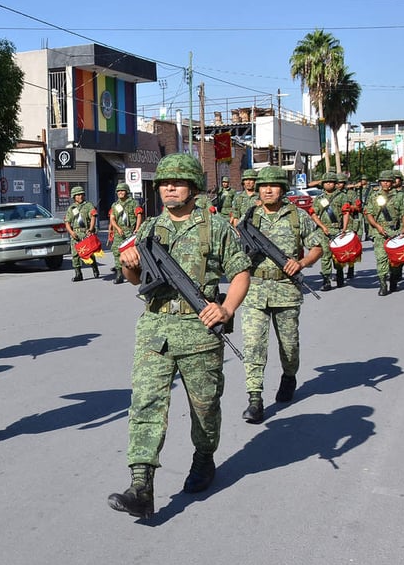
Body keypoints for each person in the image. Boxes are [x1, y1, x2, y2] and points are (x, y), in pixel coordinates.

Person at [107, 153, 251, 519]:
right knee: (145, 404)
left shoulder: (214, 227)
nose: (169, 188)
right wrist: (129, 268)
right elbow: (137, 282)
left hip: (200, 331)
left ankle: (204, 459)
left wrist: (227, 309)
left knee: (204, 409)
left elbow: (240, 272)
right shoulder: (149, 229)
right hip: (155, 329)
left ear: (193, 188)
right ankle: (141, 485)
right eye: (165, 183)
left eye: (178, 183)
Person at [239, 166, 324, 423]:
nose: (267, 190)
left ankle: (289, 376)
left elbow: (318, 245)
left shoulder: (297, 216)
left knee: (289, 346)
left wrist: (302, 263)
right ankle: (255, 399)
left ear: (282, 189)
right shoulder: (250, 216)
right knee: (253, 345)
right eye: (263, 186)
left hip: (286, 290)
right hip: (254, 290)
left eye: (273, 186)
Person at [364, 170, 404, 296]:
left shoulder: (399, 196)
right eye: (383, 181)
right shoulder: (374, 196)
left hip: (395, 231)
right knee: (381, 259)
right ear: (380, 182)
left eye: (388, 181)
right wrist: (377, 226)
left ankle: (394, 279)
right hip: (380, 232)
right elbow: (369, 214)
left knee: (395, 260)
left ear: (392, 182)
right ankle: (383, 284)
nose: (385, 183)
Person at [309, 172, 350, 291]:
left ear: (335, 184)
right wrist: (322, 227)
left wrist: (344, 228)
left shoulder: (342, 196)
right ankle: (326, 280)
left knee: (337, 255)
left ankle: (340, 274)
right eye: (326, 182)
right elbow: (313, 214)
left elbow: (345, 212)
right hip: (324, 230)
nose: (328, 184)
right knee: (325, 255)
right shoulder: (319, 198)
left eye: (331, 182)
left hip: (337, 228)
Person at [107, 182, 142, 283]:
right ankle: (119, 274)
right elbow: (112, 219)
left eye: (122, 191)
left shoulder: (133, 203)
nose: (120, 193)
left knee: (134, 253)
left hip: (131, 231)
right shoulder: (115, 205)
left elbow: (139, 215)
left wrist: (137, 228)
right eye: (118, 191)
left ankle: (136, 272)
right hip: (119, 233)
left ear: (127, 192)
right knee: (117, 252)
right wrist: (117, 228)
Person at [64, 186, 99, 281]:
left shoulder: (88, 205)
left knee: (89, 253)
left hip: (86, 233)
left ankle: (94, 267)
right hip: (76, 234)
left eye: (81, 194)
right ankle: (78, 274)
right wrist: (71, 232)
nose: (80, 196)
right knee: (75, 255)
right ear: (74, 196)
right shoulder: (71, 208)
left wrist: (91, 229)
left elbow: (93, 216)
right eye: (77, 195)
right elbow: (67, 222)